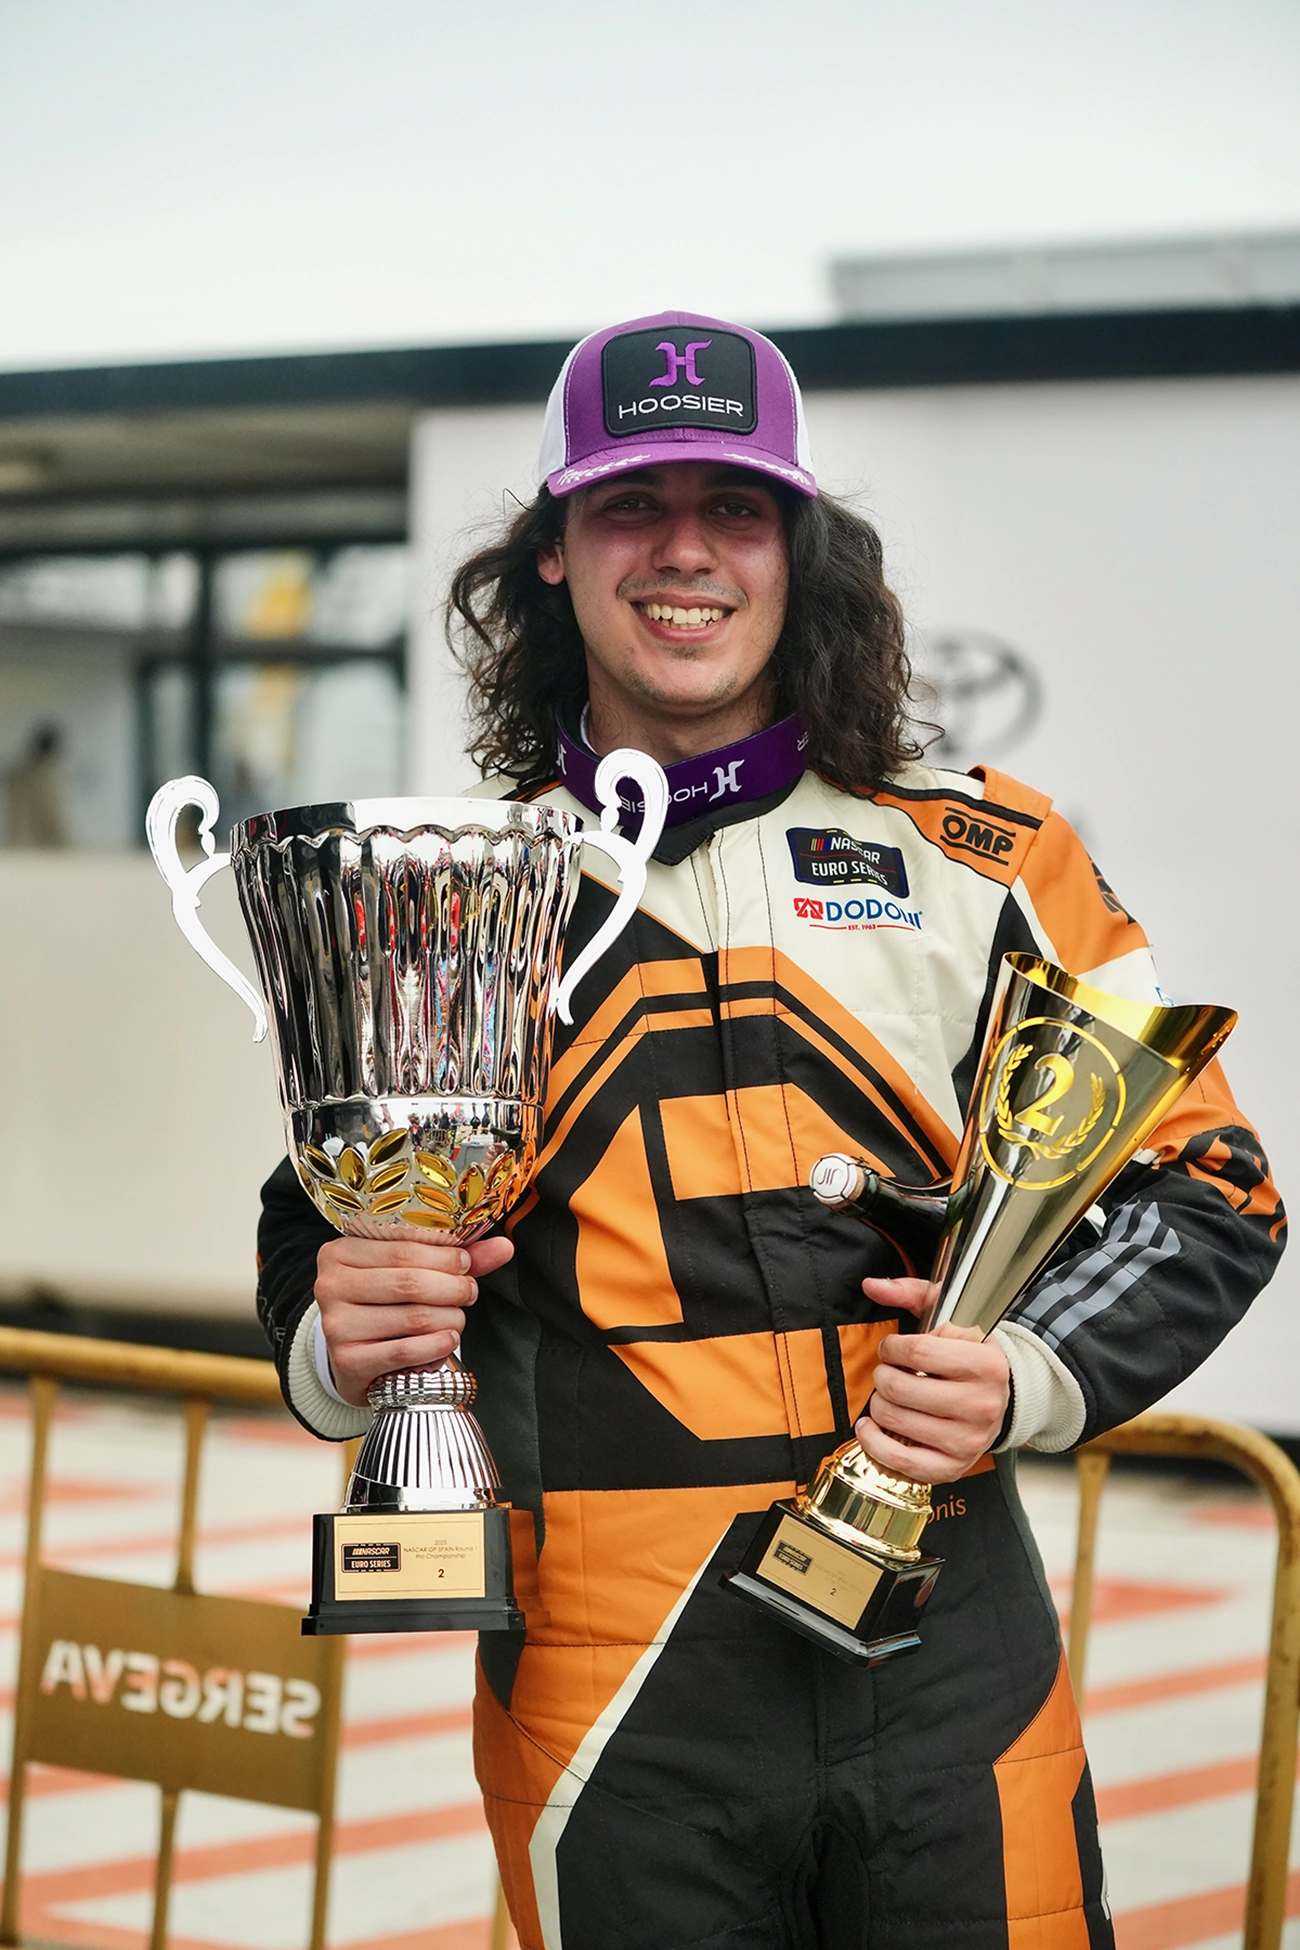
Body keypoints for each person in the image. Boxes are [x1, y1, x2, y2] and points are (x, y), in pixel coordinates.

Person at [255, 313, 1284, 1950]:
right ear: (551, 556)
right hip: (609, 1692)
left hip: (955, 1654)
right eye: (630, 503)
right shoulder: (457, 890)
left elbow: (1210, 1186)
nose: (686, 551)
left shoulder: (986, 854)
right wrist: (338, 1338)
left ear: (803, 549)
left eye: (734, 506)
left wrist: (1025, 1372)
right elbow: (321, 1218)